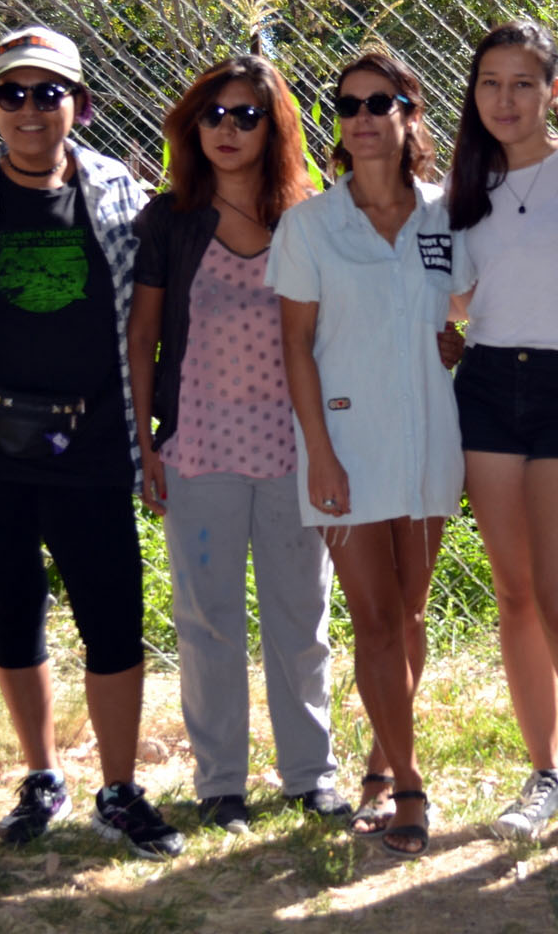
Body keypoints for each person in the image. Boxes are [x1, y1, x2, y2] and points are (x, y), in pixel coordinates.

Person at [0, 26, 182, 860]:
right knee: (12, 614)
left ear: (82, 107)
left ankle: (119, 787)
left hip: (94, 441)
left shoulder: (117, 192)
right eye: (13, 94)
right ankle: (41, 775)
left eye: (49, 92)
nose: (31, 110)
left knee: (113, 617)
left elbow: (155, 311)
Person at [126, 56, 348, 835]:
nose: (227, 129)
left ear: (274, 127)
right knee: (207, 621)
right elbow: (145, 335)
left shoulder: (310, 219)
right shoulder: (170, 221)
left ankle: (309, 776)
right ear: (194, 127)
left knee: (301, 617)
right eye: (213, 115)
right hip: (201, 450)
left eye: (246, 115)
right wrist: (150, 444)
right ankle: (221, 783)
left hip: (293, 451)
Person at [266, 52, 464, 858]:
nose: (363, 116)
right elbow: (296, 349)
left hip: (430, 443)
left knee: (410, 615)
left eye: (382, 102)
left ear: (411, 112)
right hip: (344, 447)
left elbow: (467, 313)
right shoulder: (310, 225)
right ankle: (410, 786)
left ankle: (383, 761)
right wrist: (319, 453)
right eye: (347, 104)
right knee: (375, 619)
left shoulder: (449, 215)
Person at [443, 21, 558, 848]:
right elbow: (453, 298)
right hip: (486, 384)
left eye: (524, 83)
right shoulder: (461, 185)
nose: (505, 100)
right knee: (515, 594)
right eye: (490, 83)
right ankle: (544, 774)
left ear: (553, 91)